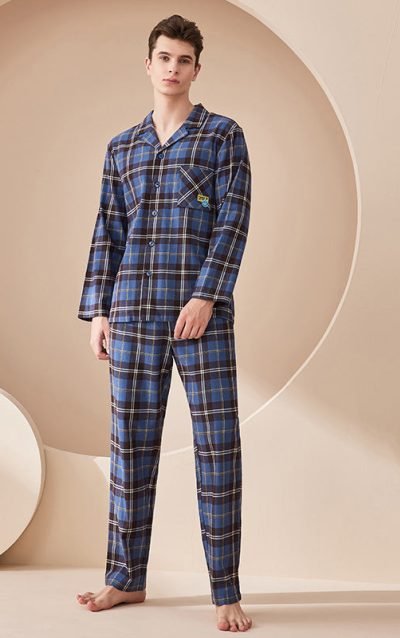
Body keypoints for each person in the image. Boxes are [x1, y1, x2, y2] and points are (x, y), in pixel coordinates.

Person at [75, 14, 253, 632]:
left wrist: (206, 296)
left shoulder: (222, 136)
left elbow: (233, 222)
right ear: (148, 64)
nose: (172, 68)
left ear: (196, 69)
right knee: (130, 447)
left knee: (217, 449)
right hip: (131, 311)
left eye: (183, 59)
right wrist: (100, 310)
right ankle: (125, 578)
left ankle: (225, 591)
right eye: (164, 58)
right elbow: (108, 230)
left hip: (201, 315)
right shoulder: (121, 148)